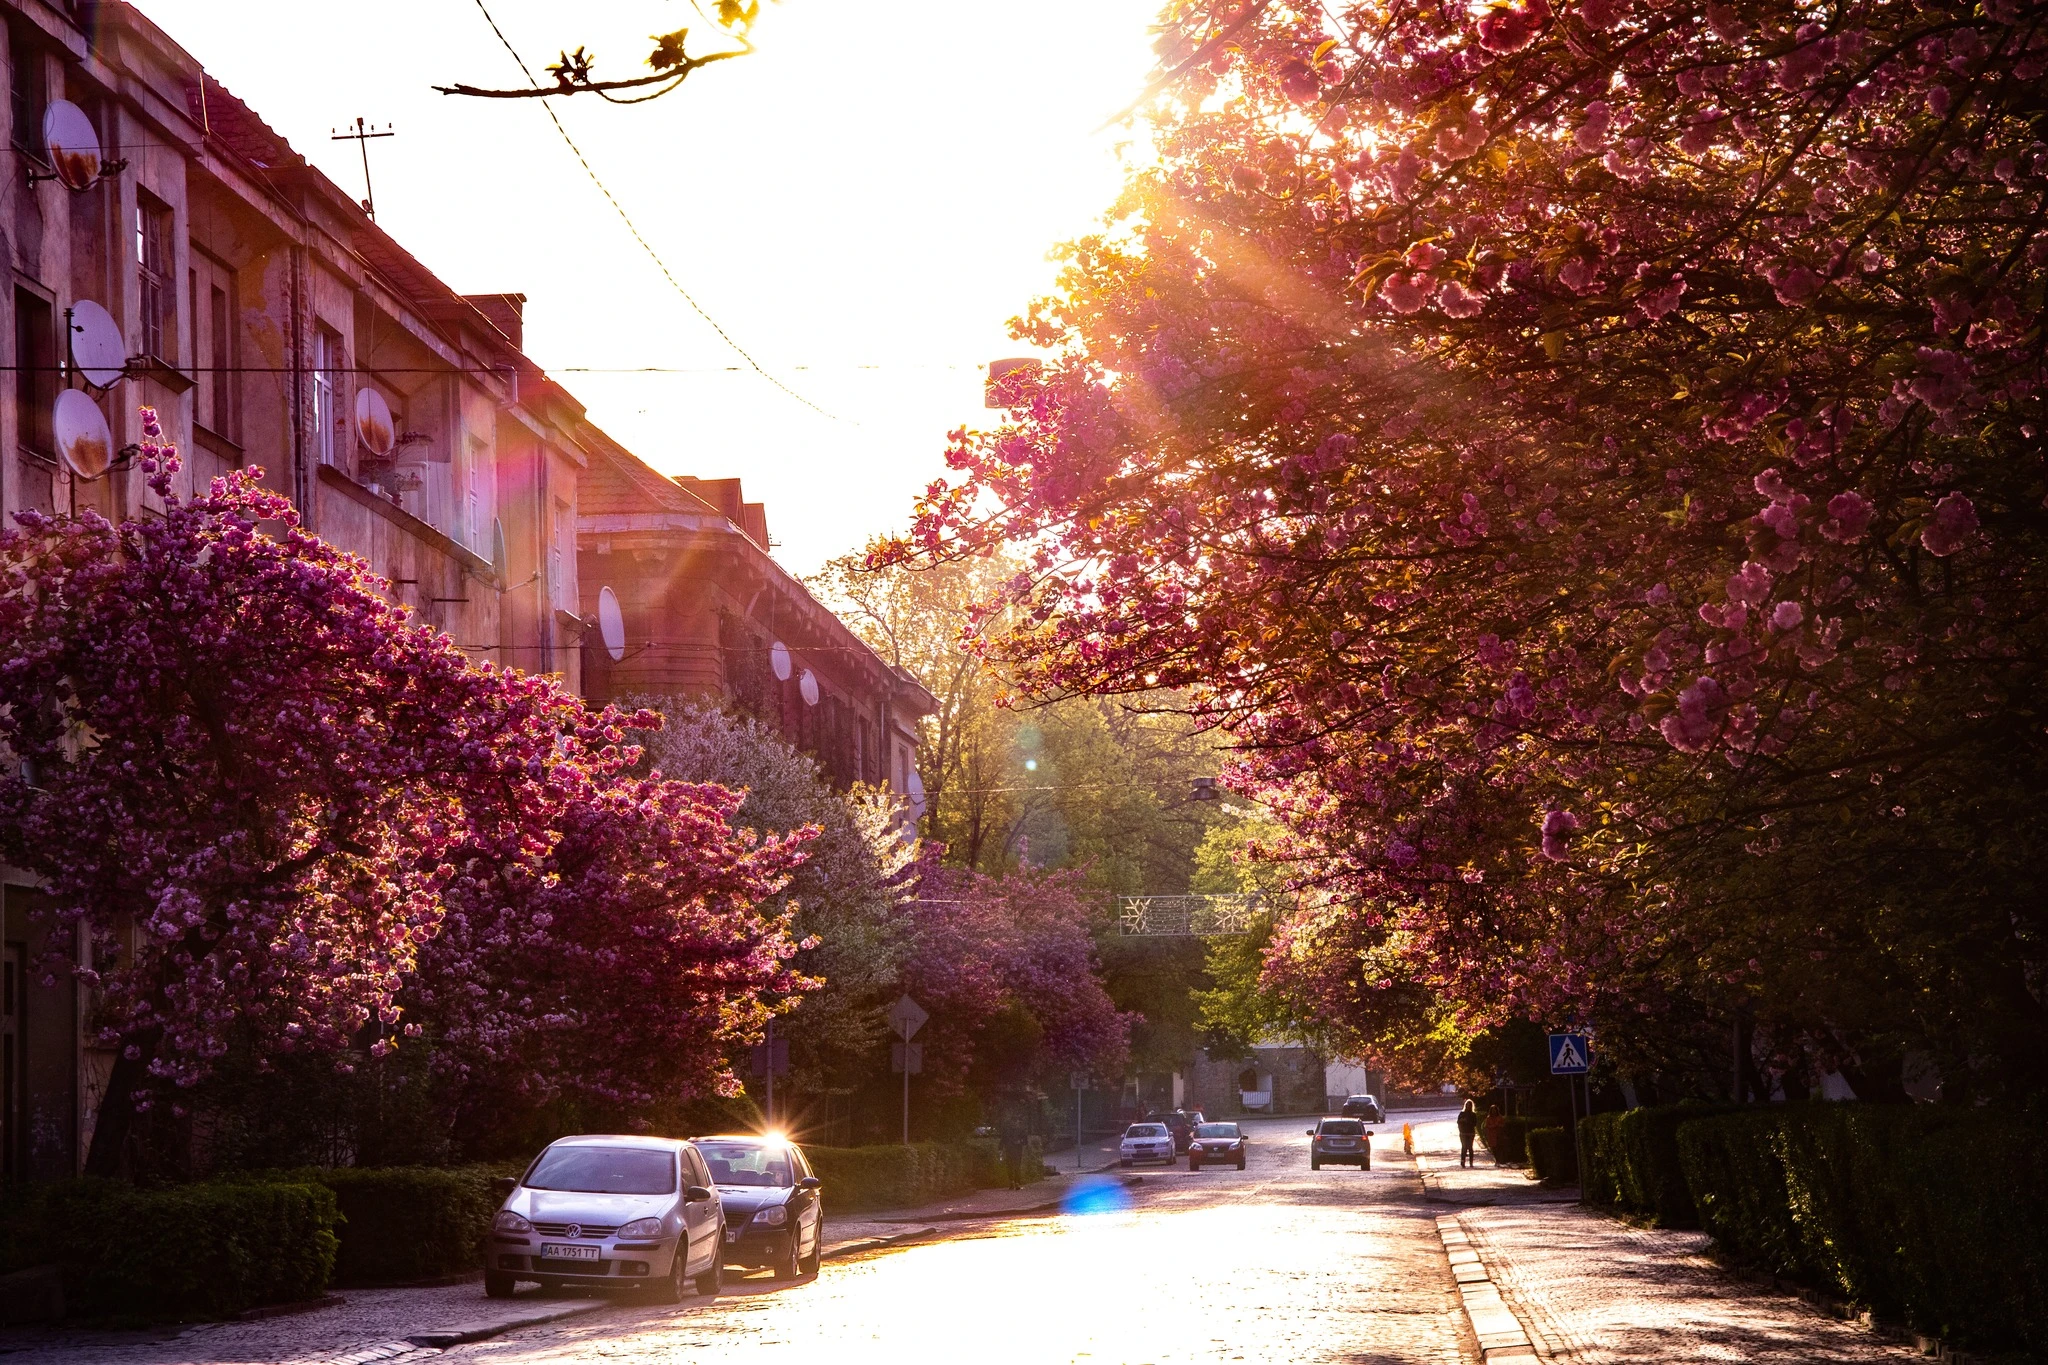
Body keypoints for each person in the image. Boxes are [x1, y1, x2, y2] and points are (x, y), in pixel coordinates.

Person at [1457, 1099, 1481, 1168]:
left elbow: (1474, 1123)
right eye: (1467, 1105)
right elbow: (1458, 1122)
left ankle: (1471, 1162)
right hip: (1463, 1132)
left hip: (1470, 1132)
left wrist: (1469, 1122)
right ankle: (1463, 1161)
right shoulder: (1462, 1114)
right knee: (1464, 1147)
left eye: (1469, 1106)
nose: (1468, 1107)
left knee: (1470, 1147)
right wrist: (1462, 1121)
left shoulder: (1473, 1114)